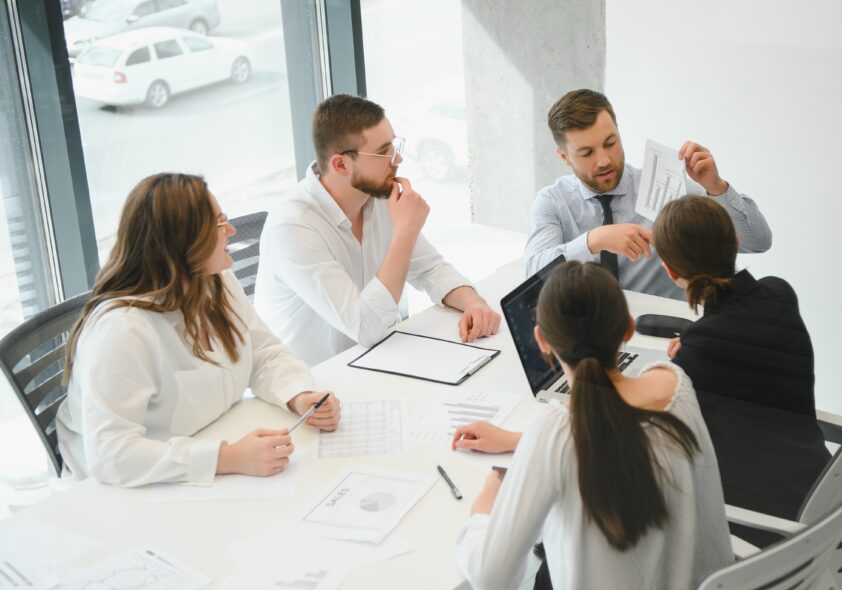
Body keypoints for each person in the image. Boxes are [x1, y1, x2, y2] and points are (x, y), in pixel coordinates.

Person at [451, 261, 732, 590]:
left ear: (541, 339)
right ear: (627, 328)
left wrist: (483, 507)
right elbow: (609, 420)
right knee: (551, 564)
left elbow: (492, 578)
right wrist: (521, 441)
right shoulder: (673, 380)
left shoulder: (556, 431)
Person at [57, 173, 340, 487]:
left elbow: (262, 352)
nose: (231, 231)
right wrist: (228, 458)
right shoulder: (122, 331)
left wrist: (299, 395)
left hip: (203, 450)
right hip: (128, 490)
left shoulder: (214, 281)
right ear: (183, 245)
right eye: (219, 224)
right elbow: (112, 454)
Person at [254, 94, 501, 366]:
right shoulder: (293, 228)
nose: (397, 159)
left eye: (395, 145)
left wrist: (473, 303)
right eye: (384, 152)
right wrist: (406, 230)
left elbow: (430, 269)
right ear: (341, 164)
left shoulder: (377, 195)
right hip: (314, 384)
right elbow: (367, 328)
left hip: (377, 360)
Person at [653, 195, 831, 546]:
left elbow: (663, 432)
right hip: (819, 484)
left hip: (767, 518)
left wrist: (685, 358)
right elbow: (743, 352)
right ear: (735, 242)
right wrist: (693, 347)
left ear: (670, 271)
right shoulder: (780, 293)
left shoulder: (702, 349)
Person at [524, 88, 772, 300]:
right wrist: (593, 240)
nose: (603, 160)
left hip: (667, 336)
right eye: (587, 153)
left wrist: (716, 187)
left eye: (610, 143)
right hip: (592, 336)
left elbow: (758, 242)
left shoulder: (664, 184)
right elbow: (532, 279)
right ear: (564, 156)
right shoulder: (553, 202)